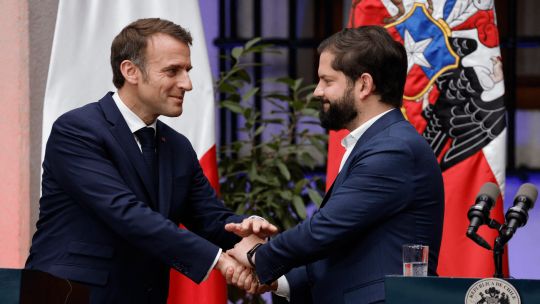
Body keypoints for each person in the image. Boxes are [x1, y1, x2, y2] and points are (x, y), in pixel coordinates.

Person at [25, 18, 274, 303]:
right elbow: (126, 212)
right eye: (173, 71)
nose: (187, 84)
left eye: (187, 71)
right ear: (130, 71)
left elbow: (210, 218)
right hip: (70, 294)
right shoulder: (77, 130)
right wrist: (219, 261)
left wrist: (247, 234)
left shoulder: (177, 146)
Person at [226, 26, 445, 303]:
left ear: (364, 84)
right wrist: (277, 280)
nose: (318, 91)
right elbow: (346, 246)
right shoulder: (375, 143)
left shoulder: (394, 149)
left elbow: (326, 228)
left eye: (327, 81)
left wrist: (257, 255)